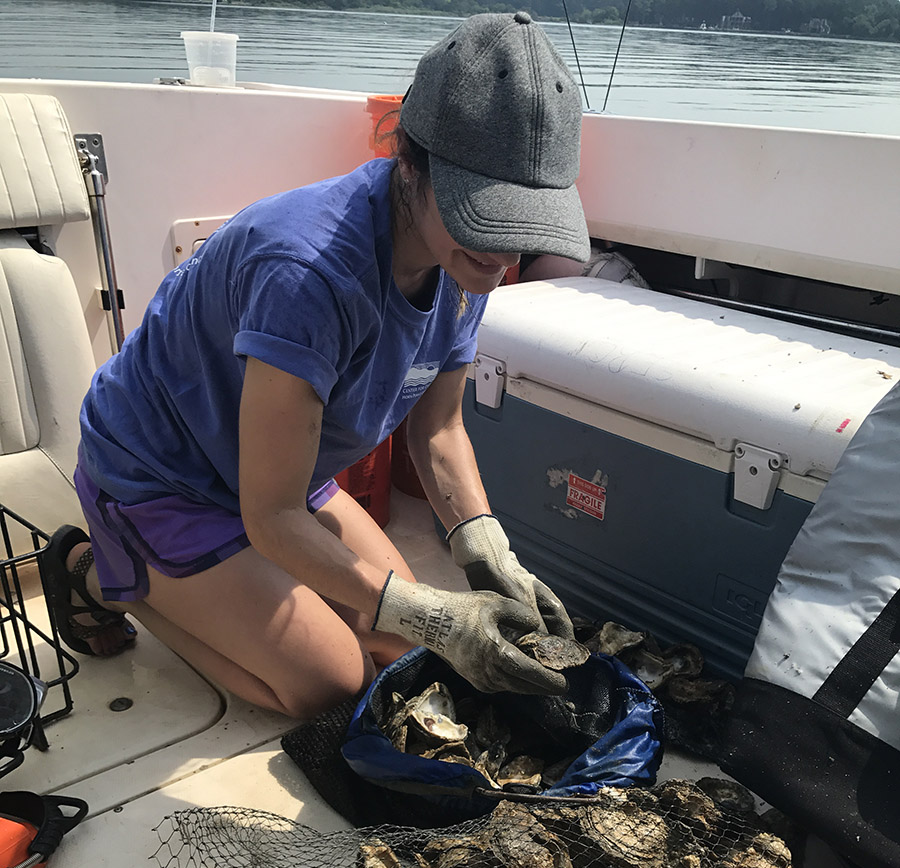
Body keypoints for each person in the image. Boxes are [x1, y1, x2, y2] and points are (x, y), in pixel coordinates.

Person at [45, 11, 590, 720]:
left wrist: (487, 548)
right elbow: (269, 516)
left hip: (276, 472)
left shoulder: (468, 264)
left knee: (405, 652)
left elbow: (438, 428)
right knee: (332, 683)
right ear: (411, 164)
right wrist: (431, 610)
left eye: (524, 224)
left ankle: (211, 587)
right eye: (485, 217)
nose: (504, 255)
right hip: (164, 475)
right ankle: (99, 571)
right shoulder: (307, 274)